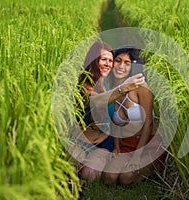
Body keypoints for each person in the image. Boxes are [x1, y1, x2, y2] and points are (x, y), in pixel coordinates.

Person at [69, 41, 145, 181]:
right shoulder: (83, 84)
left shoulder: (107, 83)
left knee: (89, 174)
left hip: (104, 143)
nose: (108, 64)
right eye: (103, 59)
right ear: (93, 60)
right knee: (71, 167)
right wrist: (123, 88)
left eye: (110, 60)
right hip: (80, 141)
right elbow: (97, 101)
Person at [102, 46, 166, 186]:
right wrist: (117, 147)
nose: (121, 66)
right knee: (109, 177)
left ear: (133, 66)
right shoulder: (111, 88)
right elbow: (115, 122)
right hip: (126, 144)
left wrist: (137, 156)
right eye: (118, 61)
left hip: (148, 144)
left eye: (127, 63)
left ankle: (154, 166)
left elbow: (148, 123)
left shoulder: (141, 87)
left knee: (126, 178)